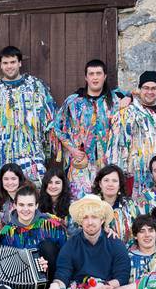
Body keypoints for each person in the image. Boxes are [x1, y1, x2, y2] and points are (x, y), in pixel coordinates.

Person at [45, 194, 131, 289]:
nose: (90, 222)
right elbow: (63, 273)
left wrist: (102, 286)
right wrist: (55, 285)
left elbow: (122, 277)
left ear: (102, 220)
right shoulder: (71, 244)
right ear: (80, 221)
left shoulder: (115, 243)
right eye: (85, 217)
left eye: (94, 217)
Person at [0, 45, 57, 183]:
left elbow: (50, 122)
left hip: (32, 155)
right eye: (5, 63)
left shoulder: (37, 87)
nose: (9, 66)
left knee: (34, 190)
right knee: (5, 192)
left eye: (13, 62)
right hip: (1, 157)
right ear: (0, 65)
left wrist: (48, 151)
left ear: (20, 63)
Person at [0, 185, 66, 289]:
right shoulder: (6, 233)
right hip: (23, 286)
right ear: (15, 205)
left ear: (36, 205)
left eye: (30, 205)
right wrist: (31, 266)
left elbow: (65, 257)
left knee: (48, 246)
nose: (25, 209)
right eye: (21, 205)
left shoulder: (52, 225)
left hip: (50, 280)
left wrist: (47, 265)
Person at [52, 60, 124, 198]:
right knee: (80, 200)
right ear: (86, 77)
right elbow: (57, 127)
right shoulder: (73, 101)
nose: (95, 77)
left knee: (105, 200)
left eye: (98, 73)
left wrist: (129, 98)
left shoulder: (114, 100)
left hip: (106, 164)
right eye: (91, 74)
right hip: (80, 164)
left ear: (105, 76)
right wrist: (72, 149)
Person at [106, 70, 156, 195]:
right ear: (139, 89)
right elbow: (117, 149)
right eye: (146, 88)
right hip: (137, 178)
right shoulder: (126, 114)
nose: (150, 92)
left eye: (154, 88)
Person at [92, 164, 138, 245]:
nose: (110, 184)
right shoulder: (91, 204)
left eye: (114, 181)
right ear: (100, 184)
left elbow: (137, 229)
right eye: (106, 180)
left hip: (126, 250)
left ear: (119, 185)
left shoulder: (129, 205)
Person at [128, 215, 156, 285]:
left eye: (151, 230)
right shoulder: (128, 258)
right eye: (142, 231)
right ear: (135, 236)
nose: (147, 235)